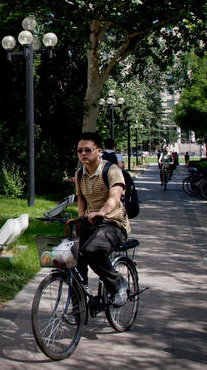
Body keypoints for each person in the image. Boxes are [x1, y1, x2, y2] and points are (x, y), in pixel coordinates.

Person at [75, 131, 130, 307]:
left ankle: (118, 284)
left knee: (93, 250)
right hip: (92, 223)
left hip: (113, 222)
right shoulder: (79, 174)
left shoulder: (111, 170)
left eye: (88, 150)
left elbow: (115, 197)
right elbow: (81, 199)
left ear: (99, 151)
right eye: (80, 150)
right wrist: (80, 218)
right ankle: (79, 305)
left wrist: (103, 212)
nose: (83, 153)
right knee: (73, 256)